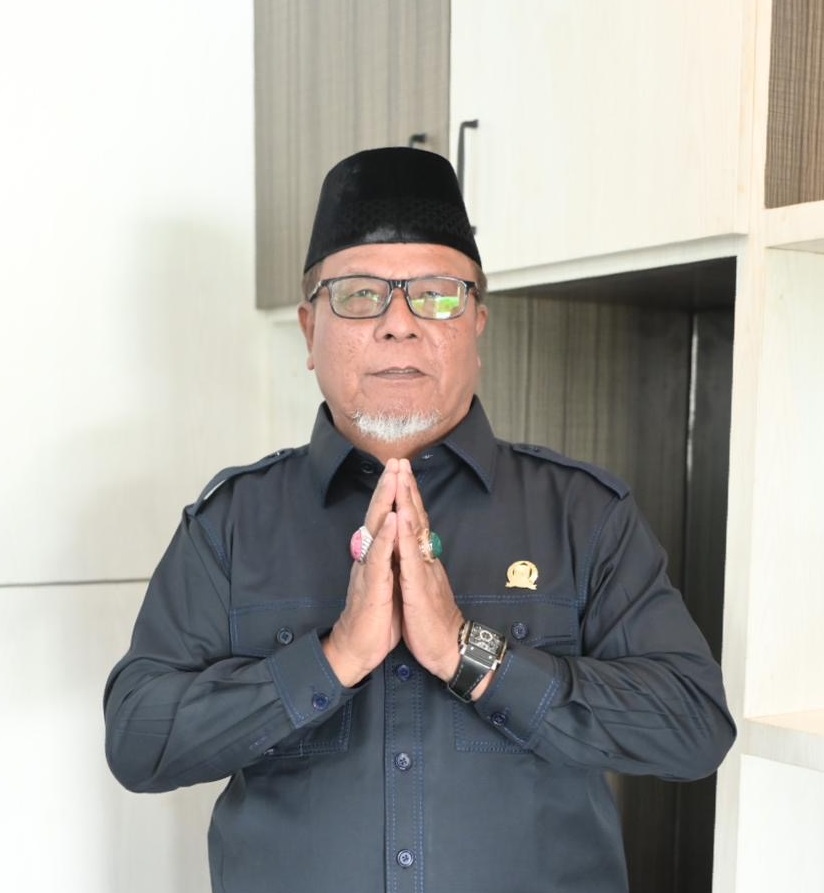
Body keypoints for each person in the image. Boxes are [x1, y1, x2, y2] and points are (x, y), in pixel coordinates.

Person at [104, 147, 736, 893]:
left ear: (477, 326)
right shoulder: (231, 524)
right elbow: (139, 740)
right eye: (359, 295)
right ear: (308, 330)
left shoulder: (584, 514)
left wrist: (475, 657)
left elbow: (693, 727)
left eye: (436, 295)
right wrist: (333, 659)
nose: (399, 324)